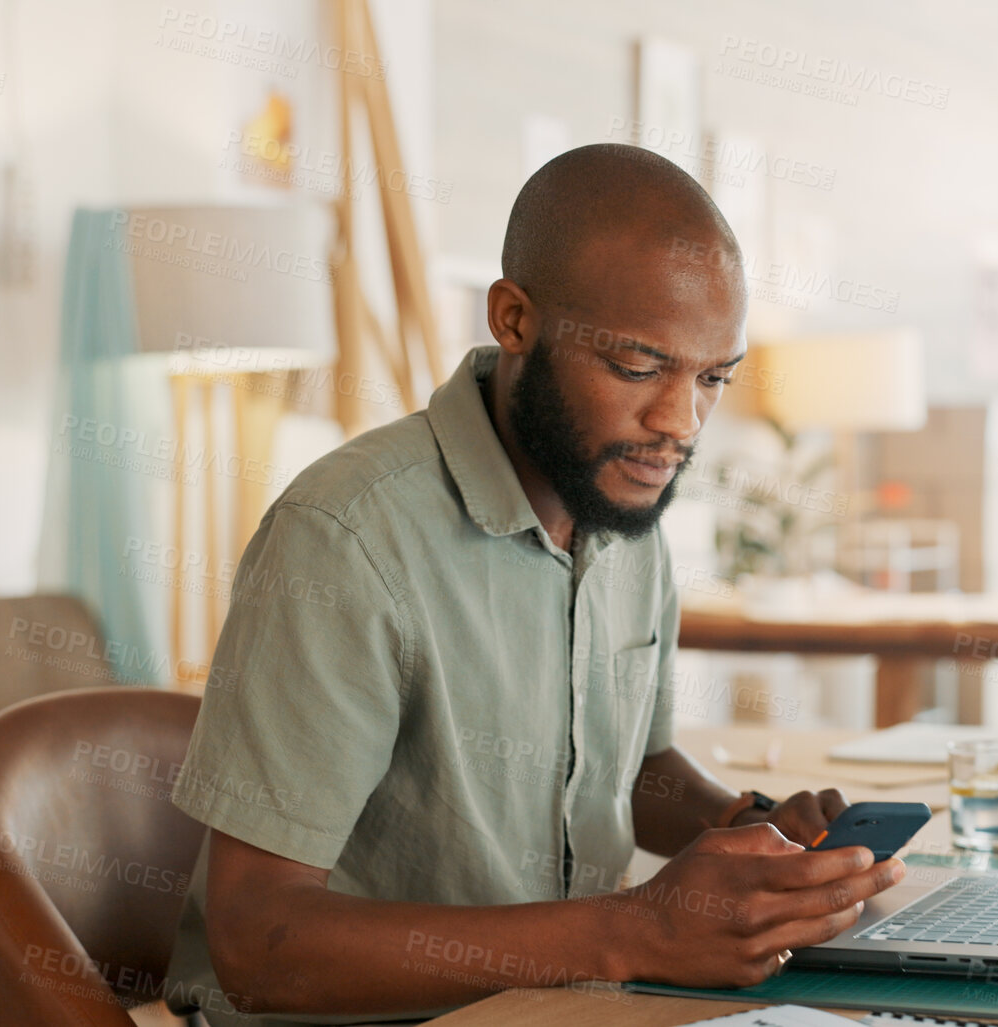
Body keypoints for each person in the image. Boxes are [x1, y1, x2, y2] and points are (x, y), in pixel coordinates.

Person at [163, 144, 905, 1026]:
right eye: (637, 368)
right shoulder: (344, 538)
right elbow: (256, 942)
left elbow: (628, 771)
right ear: (515, 320)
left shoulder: (622, 509)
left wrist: (753, 830)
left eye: (711, 378)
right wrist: (630, 930)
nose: (678, 423)